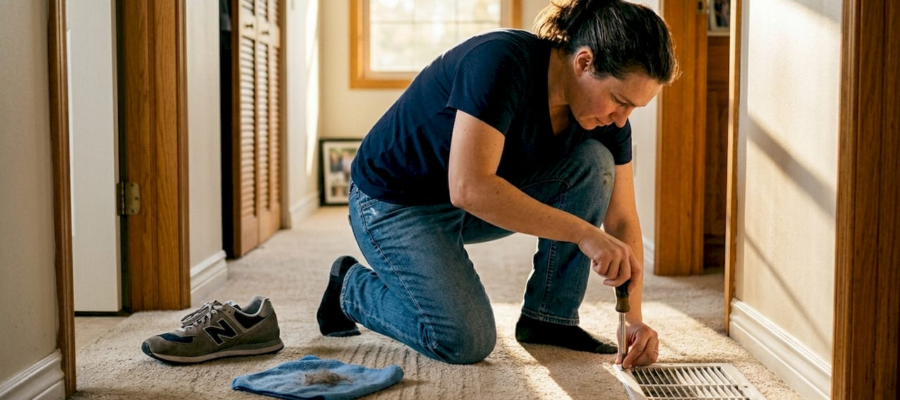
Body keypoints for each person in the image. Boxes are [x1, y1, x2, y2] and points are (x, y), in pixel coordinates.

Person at [316, 0, 679, 368]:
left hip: (470, 204)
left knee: (594, 163)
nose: (621, 120)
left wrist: (632, 320)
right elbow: (469, 187)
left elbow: (621, 220)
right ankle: (350, 287)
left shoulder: (607, 122)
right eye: (619, 101)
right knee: (464, 340)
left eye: (633, 108)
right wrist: (583, 233)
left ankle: (548, 319)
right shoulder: (501, 62)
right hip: (396, 201)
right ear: (584, 62)